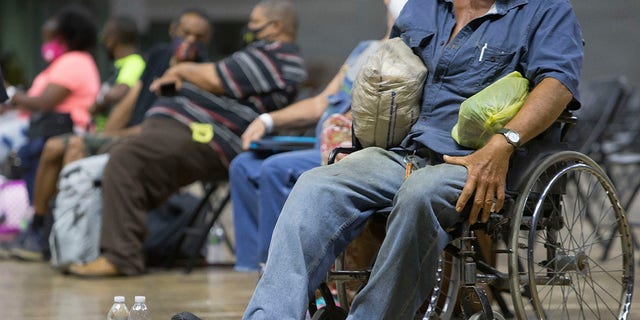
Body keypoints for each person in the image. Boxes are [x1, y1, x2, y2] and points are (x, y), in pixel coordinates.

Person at [242, 0, 584, 319]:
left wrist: (503, 143)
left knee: (420, 194)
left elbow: (558, 84)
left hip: (482, 159)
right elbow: (390, 68)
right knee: (316, 185)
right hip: (407, 152)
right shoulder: (423, 7)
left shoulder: (544, 10)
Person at [67, 0, 307, 277]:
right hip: (182, 127)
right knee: (108, 152)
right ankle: (90, 245)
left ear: (275, 27)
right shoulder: (263, 55)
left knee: (126, 158)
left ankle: (121, 257)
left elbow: (219, 77)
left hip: (213, 138)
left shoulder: (277, 58)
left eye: (255, 23)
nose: (249, 29)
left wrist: (181, 71)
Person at [6, 10, 214, 262]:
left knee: (74, 149)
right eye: (185, 33)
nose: (190, 40)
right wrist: (107, 136)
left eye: (198, 36)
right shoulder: (159, 56)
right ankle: (42, 228)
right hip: (129, 133)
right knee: (52, 148)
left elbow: (166, 125)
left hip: (154, 137)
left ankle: (74, 240)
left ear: (208, 39)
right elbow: (131, 99)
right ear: (173, 30)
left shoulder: (205, 71)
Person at [229, 0, 405, 272]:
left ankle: (281, 271)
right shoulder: (364, 50)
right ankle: (254, 267)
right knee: (244, 165)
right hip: (317, 143)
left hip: (349, 150)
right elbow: (322, 102)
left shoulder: (407, 56)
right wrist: (267, 119)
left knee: (275, 170)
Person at [1, 5, 100, 261]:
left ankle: (39, 232)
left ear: (66, 35)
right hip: (43, 132)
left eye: (53, 33)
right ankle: (37, 231)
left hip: (65, 133)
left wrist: (11, 94)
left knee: (32, 152)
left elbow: (45, 102)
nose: (47, 37)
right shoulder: (63, 62)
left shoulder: (75, 61)